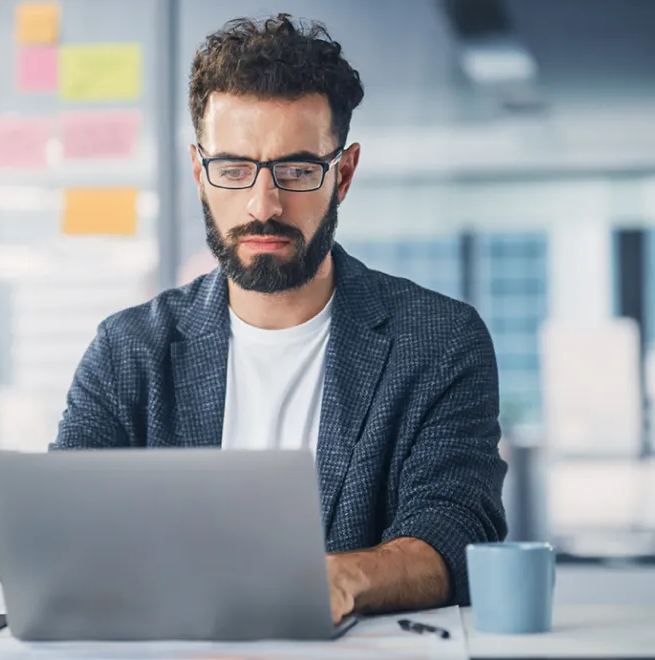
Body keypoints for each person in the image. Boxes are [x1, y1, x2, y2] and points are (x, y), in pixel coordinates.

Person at [51, 13, 508, 623]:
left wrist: (341, 578)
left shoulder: (439, 341)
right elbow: (58, 532)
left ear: (341, 174)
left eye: (295, 171)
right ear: (199, 173)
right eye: (234, 170)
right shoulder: (129, 349)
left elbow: (457, 529)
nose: (262, 206)